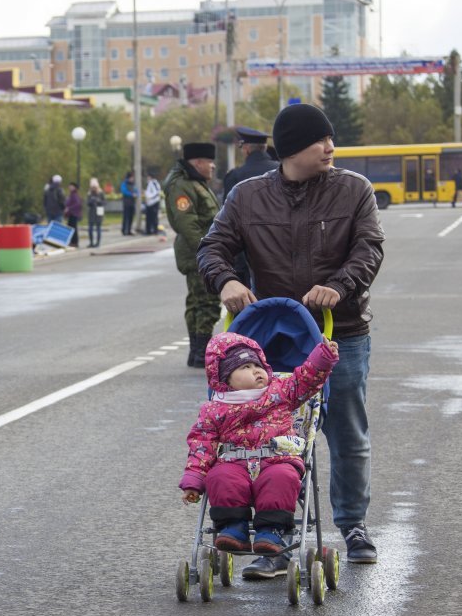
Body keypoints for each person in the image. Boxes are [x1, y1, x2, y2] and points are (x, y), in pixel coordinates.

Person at [198, 102, 385, 576]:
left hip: (339, 332)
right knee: (276, 439)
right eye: (321, 140)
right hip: (272, 339)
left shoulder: (353, 190)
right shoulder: (247, 197)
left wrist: (339, 287)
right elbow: (213, 246)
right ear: (294, 148)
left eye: (330, 138)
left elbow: (369, 248)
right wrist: (225, 281)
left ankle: (353, 524)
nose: (330, 147)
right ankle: (276, 538)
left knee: (346, 433)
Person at [180, 332, 339, 552]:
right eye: (244, 368)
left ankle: (271, 530)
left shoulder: (281, 391)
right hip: (234, 462)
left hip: (277, 459)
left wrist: (323, 356)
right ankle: (233, 527)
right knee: (219, 477)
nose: (255, 371)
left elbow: (306, 379)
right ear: (226, 378)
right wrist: (194, 480)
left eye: (258, 365)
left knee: (282, 478)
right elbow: (201, 445)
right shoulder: (215, 409)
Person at [164, 141, 220, 368]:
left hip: (200, 251)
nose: (213, 167)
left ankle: (198, 353)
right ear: (197, 162)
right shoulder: (182, 185)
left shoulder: (195, 183)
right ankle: (201, 352)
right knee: (206, 302)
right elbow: (188, 224)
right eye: (209, 162)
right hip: (197, 252)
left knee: (199, 301)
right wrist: (206, 252)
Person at [218, 127, 278, 288]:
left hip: (247, 255)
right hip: (282, 251)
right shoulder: (282, 169)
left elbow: (229, 220)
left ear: (245, 149)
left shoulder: (236, 176)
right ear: (264, 148)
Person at [86, 177, 106, 247]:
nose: (93, 188)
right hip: (91, 211)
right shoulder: (89, 193)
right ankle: (91, 242)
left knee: (98, 227)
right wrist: (91, 201)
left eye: (95, 187)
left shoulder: (101, 193)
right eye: (92, 187)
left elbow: (104, 202)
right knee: (90, 228)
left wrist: (98, 201)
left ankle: (98, 243)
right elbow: (87, 203)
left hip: (99, 210)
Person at [64, 181, 83, 247]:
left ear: (74, 187)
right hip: (71, 214)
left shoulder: (74, 195)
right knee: (71, 228)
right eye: (69, 186)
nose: (70, 187)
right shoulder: (72, 194)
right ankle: (72, 241)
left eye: (71, 186)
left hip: (74, 214)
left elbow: (78, 204)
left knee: (73, 228)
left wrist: (69, 208)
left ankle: (75, 242)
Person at [120, 170, 137, 235]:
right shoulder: (124, 183)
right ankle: (124, 230)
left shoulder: (133, 184)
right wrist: (131, 194)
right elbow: (124, 191)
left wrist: (136, 194)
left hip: (132, 203)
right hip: (126, 202)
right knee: (125, 217)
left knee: (131, 217)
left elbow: (136, 190)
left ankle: (129, 230)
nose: (133, 179)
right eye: (132, 177)